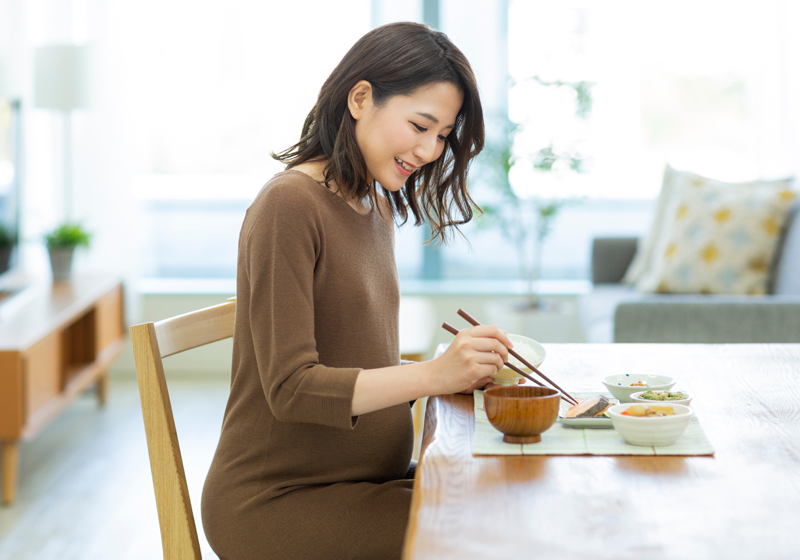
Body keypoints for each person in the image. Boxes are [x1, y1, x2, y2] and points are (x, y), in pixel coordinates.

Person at [201, 21, 515, 560]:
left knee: (511, 496)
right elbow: (292, 388)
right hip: (277, 501)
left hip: (363, 482)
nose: (430, 149)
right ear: (361, 98)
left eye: (441, 136)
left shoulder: (375, 205)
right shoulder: (289, 206)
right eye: (420, 125)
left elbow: (360, 353)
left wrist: (460, 371)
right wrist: (434, 375)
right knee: (486, 536)